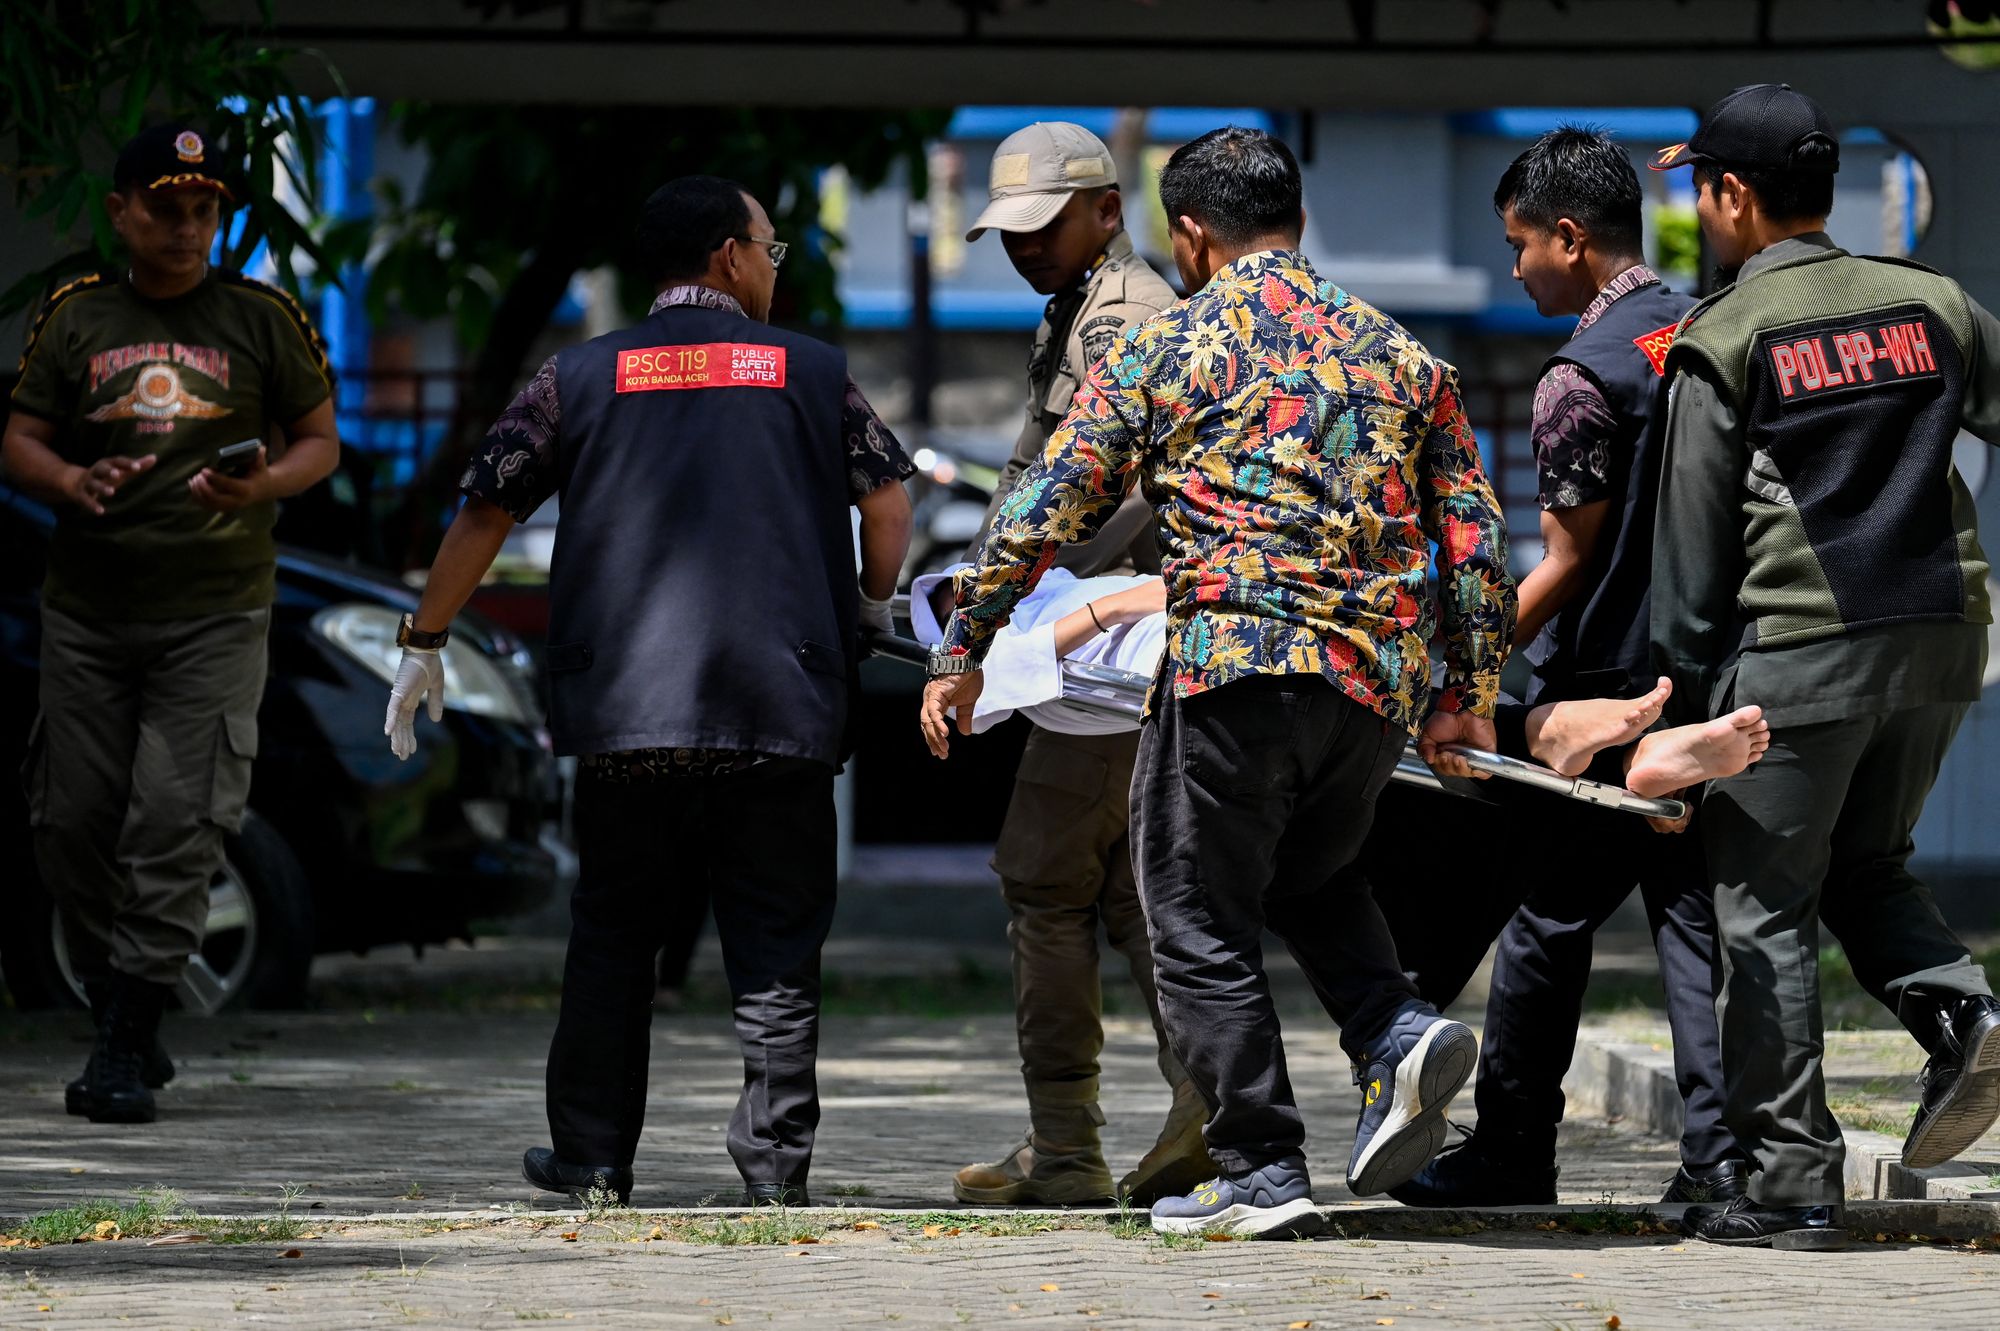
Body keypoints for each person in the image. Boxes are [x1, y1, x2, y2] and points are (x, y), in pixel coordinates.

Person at [921, 127, 1515, 1238]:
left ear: (1189, 235)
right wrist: (1464, 693)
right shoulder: (1400, 353)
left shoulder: (1170, 346)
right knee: (1310, 871)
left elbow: (1048, 501)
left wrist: (965, 649)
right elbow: (1475, 536)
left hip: (1233, 664)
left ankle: (1258, 1166)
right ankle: (1391, 1028)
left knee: (1189, 909)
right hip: (1368, 683)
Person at [385, 176, 914, 1207]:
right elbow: (888, 501)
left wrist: (427, 635)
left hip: (631, 714)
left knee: (615, 936)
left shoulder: (579, 375)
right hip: (779, 710)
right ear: (726, 254)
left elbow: (486, 510)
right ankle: (773, 1173)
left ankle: (590, 1157)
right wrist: (870, 603)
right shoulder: (809, 373)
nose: (774, 263)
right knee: (773, 945)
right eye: (769, 246)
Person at [1374, 127, 1750, 1210]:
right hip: (1711, 674)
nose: (1513, 267)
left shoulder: (1577, 375)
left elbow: (1569, 557)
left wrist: (1463, 667)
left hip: (1602, 694)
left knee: (1544, 915)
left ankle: (1510, 1148)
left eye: (1518, 244)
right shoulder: (1704, 329)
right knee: (1686, 915)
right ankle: (1718, 1167)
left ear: (1569, 238)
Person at [1651, 83, 2000, 1249]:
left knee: (1760, 906)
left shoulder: (1721, 335)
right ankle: (1964, 1011)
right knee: (1866, 863)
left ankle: (1791, 1184)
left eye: (1699, 190)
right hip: (1943, 635)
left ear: (1731, 195)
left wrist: (1686, 705)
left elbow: (1693, 555)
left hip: (1798, 653)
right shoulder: (1934, 303)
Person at [3, 123, 339, 1125]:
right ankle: (131, 1008)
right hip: (89, 608)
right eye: (164, 207)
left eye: (205, 209)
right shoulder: (76, 316)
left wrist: (262, 485)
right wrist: (71, 475)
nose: (186, 226)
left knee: (172, 813)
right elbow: (19, 438)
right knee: (70, 815)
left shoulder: (260, 316)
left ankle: (121, 1031)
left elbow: (318, 441)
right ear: (121, 213)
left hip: (215, 609)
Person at [945, 122, 1212, 1207]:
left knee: (1044, 874)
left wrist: (1009, 604)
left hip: (1118, 653)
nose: (1021, 248)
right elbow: (1032, 473)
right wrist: (969, 586)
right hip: (1104, 650)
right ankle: (1197, 1106)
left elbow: (1125, 485)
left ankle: (1070, 1146)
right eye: (1008, 232)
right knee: (1122, 890)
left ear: (1107, 210)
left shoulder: (1128, 318)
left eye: (1041, 226)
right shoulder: (1075, 314)